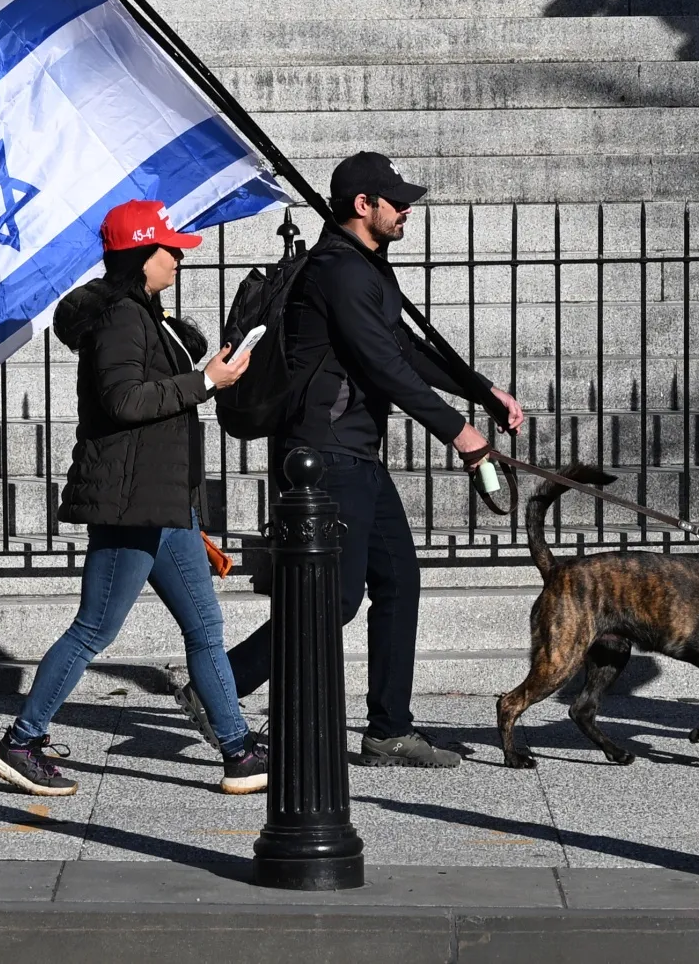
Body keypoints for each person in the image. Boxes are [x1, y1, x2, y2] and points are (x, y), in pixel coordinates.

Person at [205, 152, 525, 768]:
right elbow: (383, 365)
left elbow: (405, 349)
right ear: (363, 206)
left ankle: (388, 730)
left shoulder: (366, 268)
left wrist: (484, 392)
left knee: (399, 581)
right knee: (337, 600)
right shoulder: (338, 272)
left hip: (356, 453)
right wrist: (462, 434)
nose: (406, 209)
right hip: (323, 456)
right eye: (395, 200)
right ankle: (217, 689)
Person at [0, 200, 267, 798]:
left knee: (206, 627)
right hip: (131, 505)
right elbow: (125, 402)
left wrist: (205, 382)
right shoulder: (121, 318)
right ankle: (22, 741)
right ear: (142, 255)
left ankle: (239, 751)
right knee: (94, 629)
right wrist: (206, 382)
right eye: (169, 250)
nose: (179, 260)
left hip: (164, 506)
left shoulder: (144, 314)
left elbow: (154, 403)